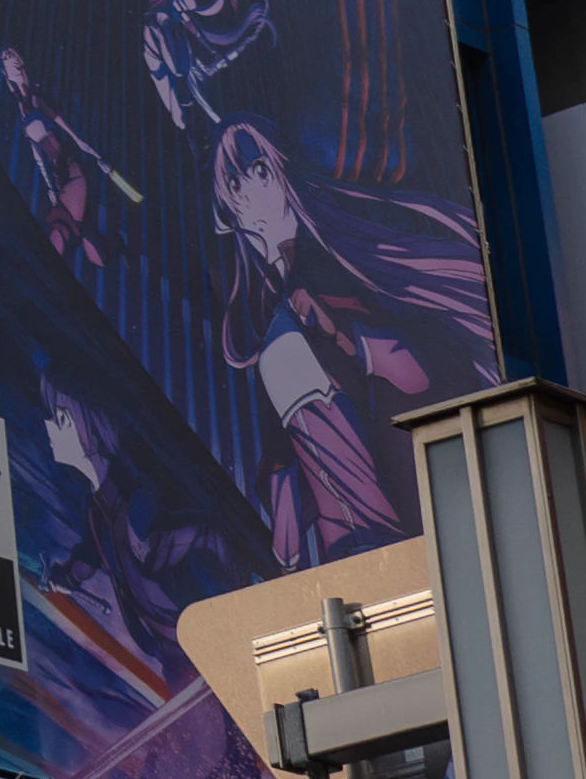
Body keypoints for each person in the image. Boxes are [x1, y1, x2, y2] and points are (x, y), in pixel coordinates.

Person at [211, 117, 498, 565]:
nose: (245, 192)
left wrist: (343, 335)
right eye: (233, 182)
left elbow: (415, 369)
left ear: (284, 172)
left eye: (258, 171)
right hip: (360, 546)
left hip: (417, 495)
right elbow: (284, 463)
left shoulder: (330, 264)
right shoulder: (283, 303)